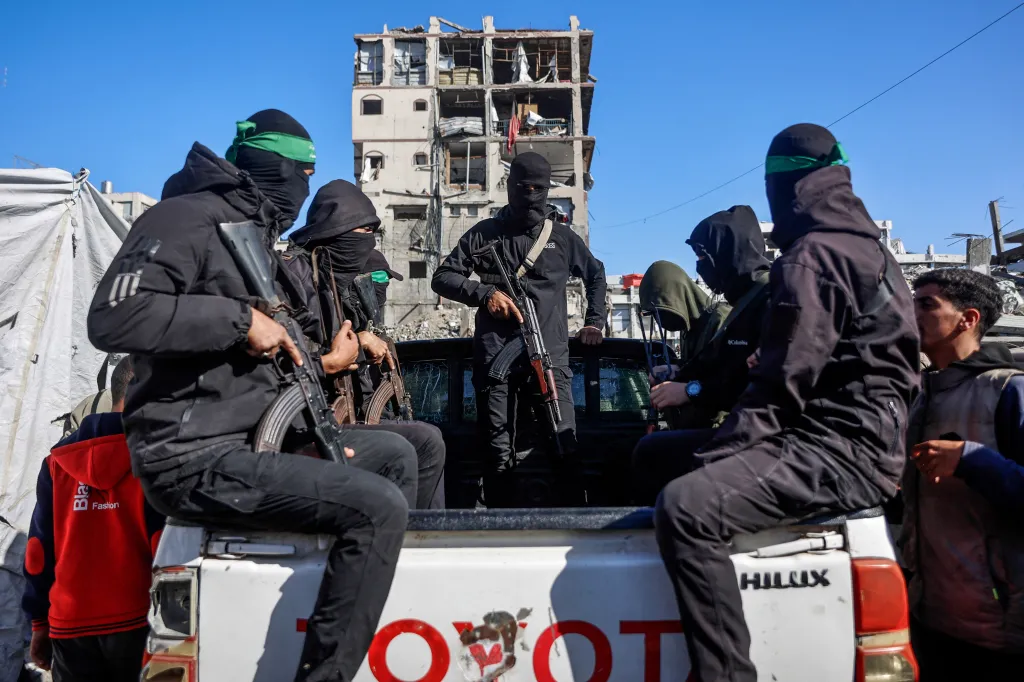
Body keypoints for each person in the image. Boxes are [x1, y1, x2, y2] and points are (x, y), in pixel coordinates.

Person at [86, 109, 417, 682]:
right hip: (192, 456)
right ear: (275, 167)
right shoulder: (184, 217)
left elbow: (271, 356)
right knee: (376, 506)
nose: (305, 186)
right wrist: (238, 321)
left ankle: (378, 600)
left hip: (252, 438)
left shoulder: (256, 238)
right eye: (303, 172)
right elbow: (114, 316)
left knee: (407, 451)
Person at [653, 123, 919, 682]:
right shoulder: (870, 250)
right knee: (657, 458)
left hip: (837, 452)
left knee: (686, 505)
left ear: (785, 191)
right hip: (861, 445)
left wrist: (715, 458)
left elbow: (779, 388)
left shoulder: (812, 259)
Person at [431, 152, 607, 507]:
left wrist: (594, 322)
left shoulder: (562, 238)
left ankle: (573, 528)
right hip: (497, 355)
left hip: (550, 356)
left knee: (564, 443)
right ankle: (502, 532)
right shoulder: (484, 234)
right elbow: (442, 277)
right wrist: (484, 294)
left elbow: (596, 275)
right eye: (522, 188)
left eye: (538, 189)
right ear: (509, 188)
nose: (530, 195)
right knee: (497, 453)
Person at [284, 180, 446, 509]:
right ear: (335, 230)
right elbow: (292, 355)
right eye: (361, 230)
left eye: (373, 230)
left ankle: (426, 539)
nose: (367, 239)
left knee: (430, 439)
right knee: (412, 446)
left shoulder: (335, 283)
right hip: (303, 426)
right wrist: (356, 344)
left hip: (339, 419)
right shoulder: (296, 279)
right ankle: (406, 539)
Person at [902, 268, 1024, 681]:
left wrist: (972, 460)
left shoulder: (1008, 391)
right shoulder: (921, 396)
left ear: (967, 319)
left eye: (926, 304)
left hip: (999, 630)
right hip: (930, 617)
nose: (910, 312)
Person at [23, 357, 164, 682]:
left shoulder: (57, 461)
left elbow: (37, 550)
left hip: (69, 626)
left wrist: (39, 624)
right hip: (138, 620)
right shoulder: (155, 455)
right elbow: (165, 541)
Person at [631, 207, 769, 504]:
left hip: (757, 436)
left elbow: (754, 385)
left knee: (651, 452)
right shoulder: (745, 303)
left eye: (705, 258)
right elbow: (720, 368)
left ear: (729, 252)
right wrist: (679, 378)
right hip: (746, 431)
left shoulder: (768, 299)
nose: (699, 267)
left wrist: (690, 391)